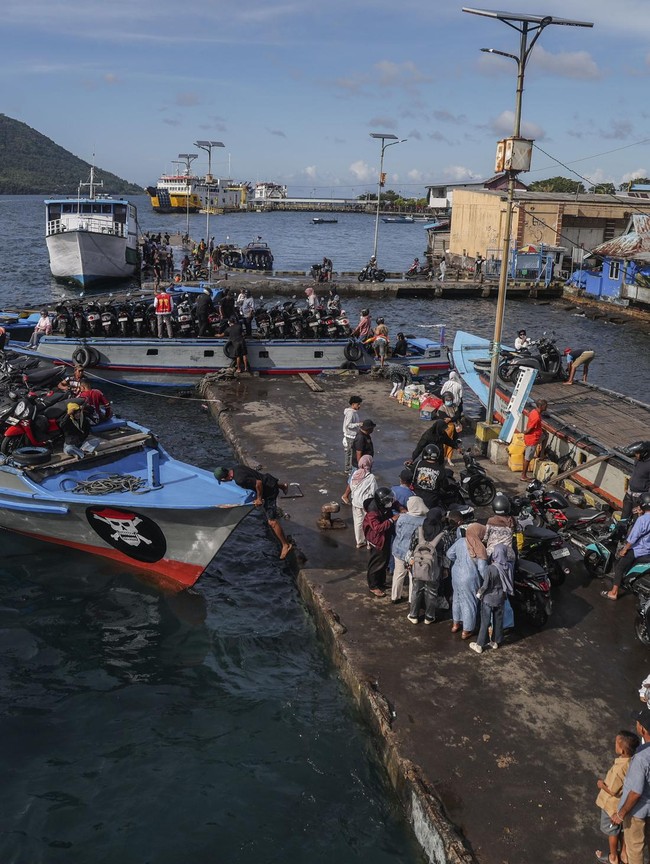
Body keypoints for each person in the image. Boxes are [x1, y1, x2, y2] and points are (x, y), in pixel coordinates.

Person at [213, 465, 294, 560]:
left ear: (224, 479)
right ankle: (283, 486)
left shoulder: (239, 480)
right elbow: (256, 477)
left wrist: (259, 498)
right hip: (269, 480)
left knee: (272, 522)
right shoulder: (237, 468)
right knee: (265, 482)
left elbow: (258, 483)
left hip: (270, 491)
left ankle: (286, 545)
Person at [611, 706, 650, 864]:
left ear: (642, 729)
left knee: (635, 849)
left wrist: (621, 814)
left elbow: (635, 792)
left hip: (637, 812)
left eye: (638, 723)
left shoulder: (641, 757)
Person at [595, 730, 639, 864]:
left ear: (622, 750)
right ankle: (624, 854)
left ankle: (613, 857)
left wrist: (602, 785)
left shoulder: (620, 769)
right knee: (622, 830)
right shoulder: (632, 762)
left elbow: (613, 791)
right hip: (622, 804)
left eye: (616, 743)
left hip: (611, 806)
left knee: (612, 832)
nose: (614, 744)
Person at [602, 493, 650, 600]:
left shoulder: (642, 520)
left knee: (619, 567)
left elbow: (633, 537)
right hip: (648, 550)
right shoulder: (643, 518)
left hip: (638, 550)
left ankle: (613, 593)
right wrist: (640, 515)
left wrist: (624, 549)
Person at [446, 522, 487, 639]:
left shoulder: (460, 541)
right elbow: (482, 569)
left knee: (457, 598)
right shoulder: (479, 547)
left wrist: (458, 561)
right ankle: (466, 630)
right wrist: (487, 581)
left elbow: (449, 554)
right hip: (470, 577)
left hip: (456, 574)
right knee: (469, 602)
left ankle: (455, 624)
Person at [407, 506, 445, 623]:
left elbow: (411, 548)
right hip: (434, 568)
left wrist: (409, 562)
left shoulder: (418, 531)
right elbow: (446, 553)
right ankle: (429, 617)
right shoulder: (443, 534)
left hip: (418, 566)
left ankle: (413, 615)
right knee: (431, 592)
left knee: (416, 590)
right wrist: (445, 569)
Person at [469, 544, 510, 654]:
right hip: (500, 598)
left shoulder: (491, 568)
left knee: (485, 621)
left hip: (488, 599)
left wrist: (479, 593)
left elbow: (485, 585)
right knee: (498, 620)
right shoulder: (507, 566)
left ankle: (479, 644)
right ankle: (495, 641)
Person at [362, 487, 400, 597]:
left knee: (384, 561)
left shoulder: (384, 504)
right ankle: (373, 586)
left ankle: (381, 582)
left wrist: (400, 508)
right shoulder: (372, 512)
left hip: (385, 536)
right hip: (377, 540)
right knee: (376, 563)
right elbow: (377, 528)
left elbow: (394, 503)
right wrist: (392, 519)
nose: (390, 502)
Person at [391, 495, 428, 603]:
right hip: (415, 553)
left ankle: (395, 597)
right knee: (413, 576)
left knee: (398, 574)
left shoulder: (402, 518)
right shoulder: (424, 521)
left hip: (399, 549)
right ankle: (412, 600)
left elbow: (397, 532)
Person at [350, 454, 378, 549]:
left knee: (358, 522)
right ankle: (369, 542)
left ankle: (359, 542)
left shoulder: (355, 473)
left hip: (355, 502)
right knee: (368, 523)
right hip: (367, 504)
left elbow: (351, 486)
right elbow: (374, 491)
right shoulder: (371, 477)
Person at [622, 442, 650, 521]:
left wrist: (645, 502)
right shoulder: (639, 459)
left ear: (645, 453)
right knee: (624, 517)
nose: (635, 455)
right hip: (629, 493)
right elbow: (629, 452)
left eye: (637, 453)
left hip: (639, 498)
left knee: (636, 519)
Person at [520, 399, 548, 481]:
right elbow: (529, 429)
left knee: (546, 436)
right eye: (545, 406)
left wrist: (542, 430)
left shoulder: (534, 412)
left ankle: (542, 454)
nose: (547, 407)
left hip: (536, 436)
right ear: (541, 406)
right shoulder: (536, 417)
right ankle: (523, 476)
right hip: (532, 439)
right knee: (528, 458)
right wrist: (524, 432)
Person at [411, 443, 445, 509]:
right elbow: (444, 485)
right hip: (431, 501)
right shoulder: (441, 469)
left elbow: (411, 476)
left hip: (416, 498)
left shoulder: (418, 464)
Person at [341, 395, 363, 477]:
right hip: (350, 436)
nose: (359, 406)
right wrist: (358, 424)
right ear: (353, 404)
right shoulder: (350, 413)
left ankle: (351, 468)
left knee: (352, 453)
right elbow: (348, 425)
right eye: (358, 404)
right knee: (349, 453)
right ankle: (348, 469)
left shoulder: (354, 412)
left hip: (353, 435)